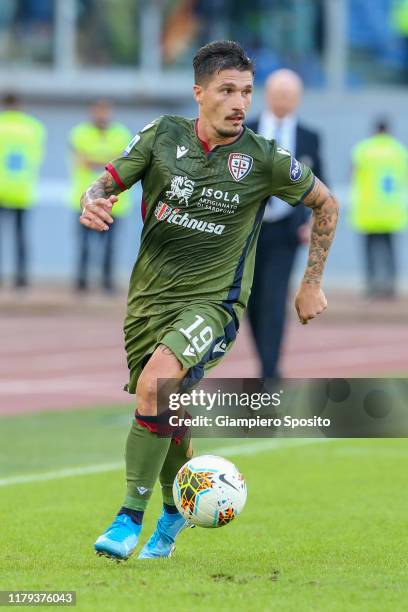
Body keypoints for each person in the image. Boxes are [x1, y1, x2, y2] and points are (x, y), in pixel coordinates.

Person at [79, 40, 338, 561]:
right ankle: (176, 513)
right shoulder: (160, 136)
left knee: (157, 383)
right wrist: (93, 202)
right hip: (148, 304)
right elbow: (103, 184)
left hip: (213, 305)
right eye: (227, 90)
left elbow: (326, 203)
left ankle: (129, 517)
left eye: (246, 90)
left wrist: (311, 281)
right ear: (199, 93)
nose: (239, 101)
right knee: (163, 406)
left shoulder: (264, 159)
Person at [246, 69, 325, 379]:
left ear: (298, 99)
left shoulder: (309, 137)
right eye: (278, 94)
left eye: (289, 96)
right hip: (248, 231)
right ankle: (265, 361)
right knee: (251, 300)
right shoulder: (245, 131)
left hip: (285, 232)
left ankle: (269, 370)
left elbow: (322, 185)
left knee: (275, 298)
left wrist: (310, 221)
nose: (283, 101)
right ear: (267, 95)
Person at [69, 100, 132, 293]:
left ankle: (107, 283)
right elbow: (83, 162)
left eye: (105, 111)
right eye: (98, 111)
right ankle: (82, 283)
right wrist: (109, 162)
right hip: (85, 201)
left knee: (110, 248)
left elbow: (125, 163)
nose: (102, 115)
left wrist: (97, 160)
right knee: (84, 246)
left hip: (115, 203)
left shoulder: (122, 134)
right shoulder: (80, 133)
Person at [350, 119, 408, 298]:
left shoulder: (363, 149)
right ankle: (390, 286)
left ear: (374, 130)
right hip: (391, 211)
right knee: (389, 250)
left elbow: (353, 174)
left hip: (368, 211)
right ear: (389, 130)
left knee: (369, 251)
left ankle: (371, 285)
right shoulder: (399, 151)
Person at [0, 93, 46, 288]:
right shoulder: (34, 127)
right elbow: (37, 158)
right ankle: (21, 279)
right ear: (20, 104)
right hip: (22, 190)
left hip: (1, 189)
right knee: (21, 237)